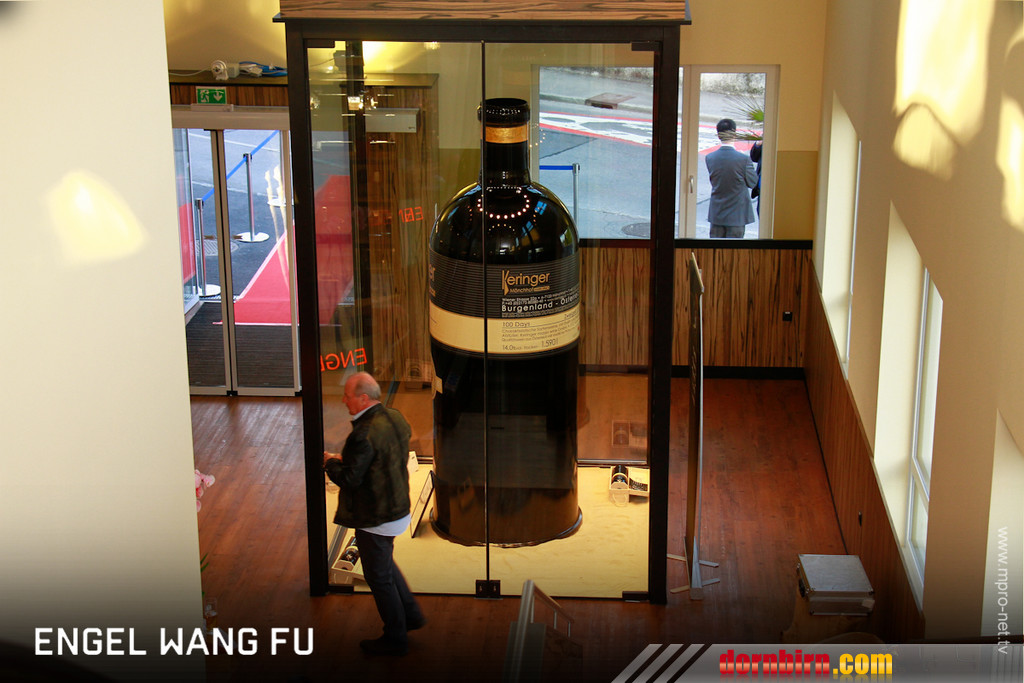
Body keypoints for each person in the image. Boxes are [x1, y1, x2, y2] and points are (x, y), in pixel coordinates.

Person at [323, 372, 425, 656]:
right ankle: (412, 616)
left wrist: (330, 464)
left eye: (348, 396)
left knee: (379, 578)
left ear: (363, 398)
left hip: (376, 518)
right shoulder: (395, 417)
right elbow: (379, 458)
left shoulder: (362, 434)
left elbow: (350, 479)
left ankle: (396, 637)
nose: (344, 401)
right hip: (398, 509)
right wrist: (347, 460)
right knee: (385, 565)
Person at [705, 118, 759, 238]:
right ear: (734, 134)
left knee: (715, 248)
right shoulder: (743, 159)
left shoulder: (710, 158)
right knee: (733, 249)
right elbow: (753, 182)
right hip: (737, 216)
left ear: (718, 135)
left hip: (717, 214)